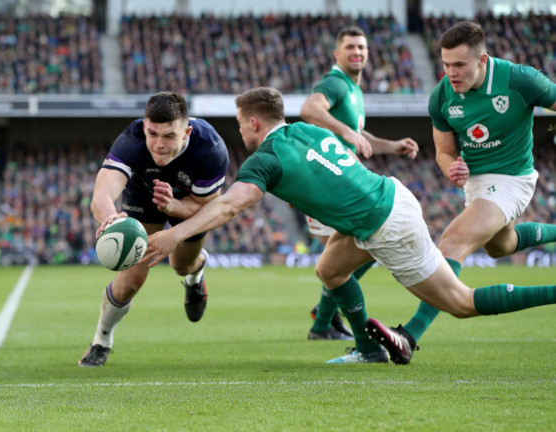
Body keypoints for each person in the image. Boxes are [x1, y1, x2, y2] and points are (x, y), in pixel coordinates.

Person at [141, 87, 556, 365]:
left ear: (253, 123)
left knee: (461, 303)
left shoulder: (264, 159)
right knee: (329, 269)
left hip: (386, 224)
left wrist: (175, 234)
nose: (238, 130)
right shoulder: (304, 130)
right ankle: (367, 351)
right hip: (388, 196)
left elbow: (230, 205)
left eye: (238, 122)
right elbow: (337, 168)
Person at [367, 21, 556, 365]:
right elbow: (443, 151)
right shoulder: (442, 94)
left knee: (452, 242)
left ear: (482, 60)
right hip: (477, 183)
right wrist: (451, 168)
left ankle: (409, 335)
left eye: (459, 65)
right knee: (501, 247)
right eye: (445, 64)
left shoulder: (520, 79)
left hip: (512, 178)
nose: (451, 73)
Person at [78, 92, 230, 367]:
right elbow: (101, 195)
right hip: (143, 200)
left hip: (190, 206)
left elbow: (210, 210)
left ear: (187, 132)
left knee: (181, 266)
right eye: (152, 133)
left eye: (169, 136)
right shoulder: (132, 139)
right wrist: (111, 219)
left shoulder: (210, 147)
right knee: (129, 284)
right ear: (145, 126)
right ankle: (101, 341)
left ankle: (195, 275)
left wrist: (174, 208)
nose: (159, 145)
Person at [299, 26, 419, 341]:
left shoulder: (354, 90)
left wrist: (391, 146)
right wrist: (347, 133)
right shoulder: (335, 83)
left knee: (352, 259)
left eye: (362, 47)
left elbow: (358, 135)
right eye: (350, 46)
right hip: (326, 185)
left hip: (339, 186)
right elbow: (309, 109)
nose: (357, 52)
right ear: (337, 53)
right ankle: (324, 320)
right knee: (348, 260)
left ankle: (324, 318)